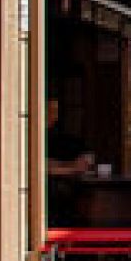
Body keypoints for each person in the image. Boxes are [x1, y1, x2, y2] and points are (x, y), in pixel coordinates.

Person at [45, 97, 92, 226]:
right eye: (50, 110)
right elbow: (43, 166)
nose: (53, 115)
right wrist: (72, 168)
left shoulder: (58, 135)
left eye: (55, 111)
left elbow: (85, 157)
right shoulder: (35, 133)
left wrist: (73, 164)